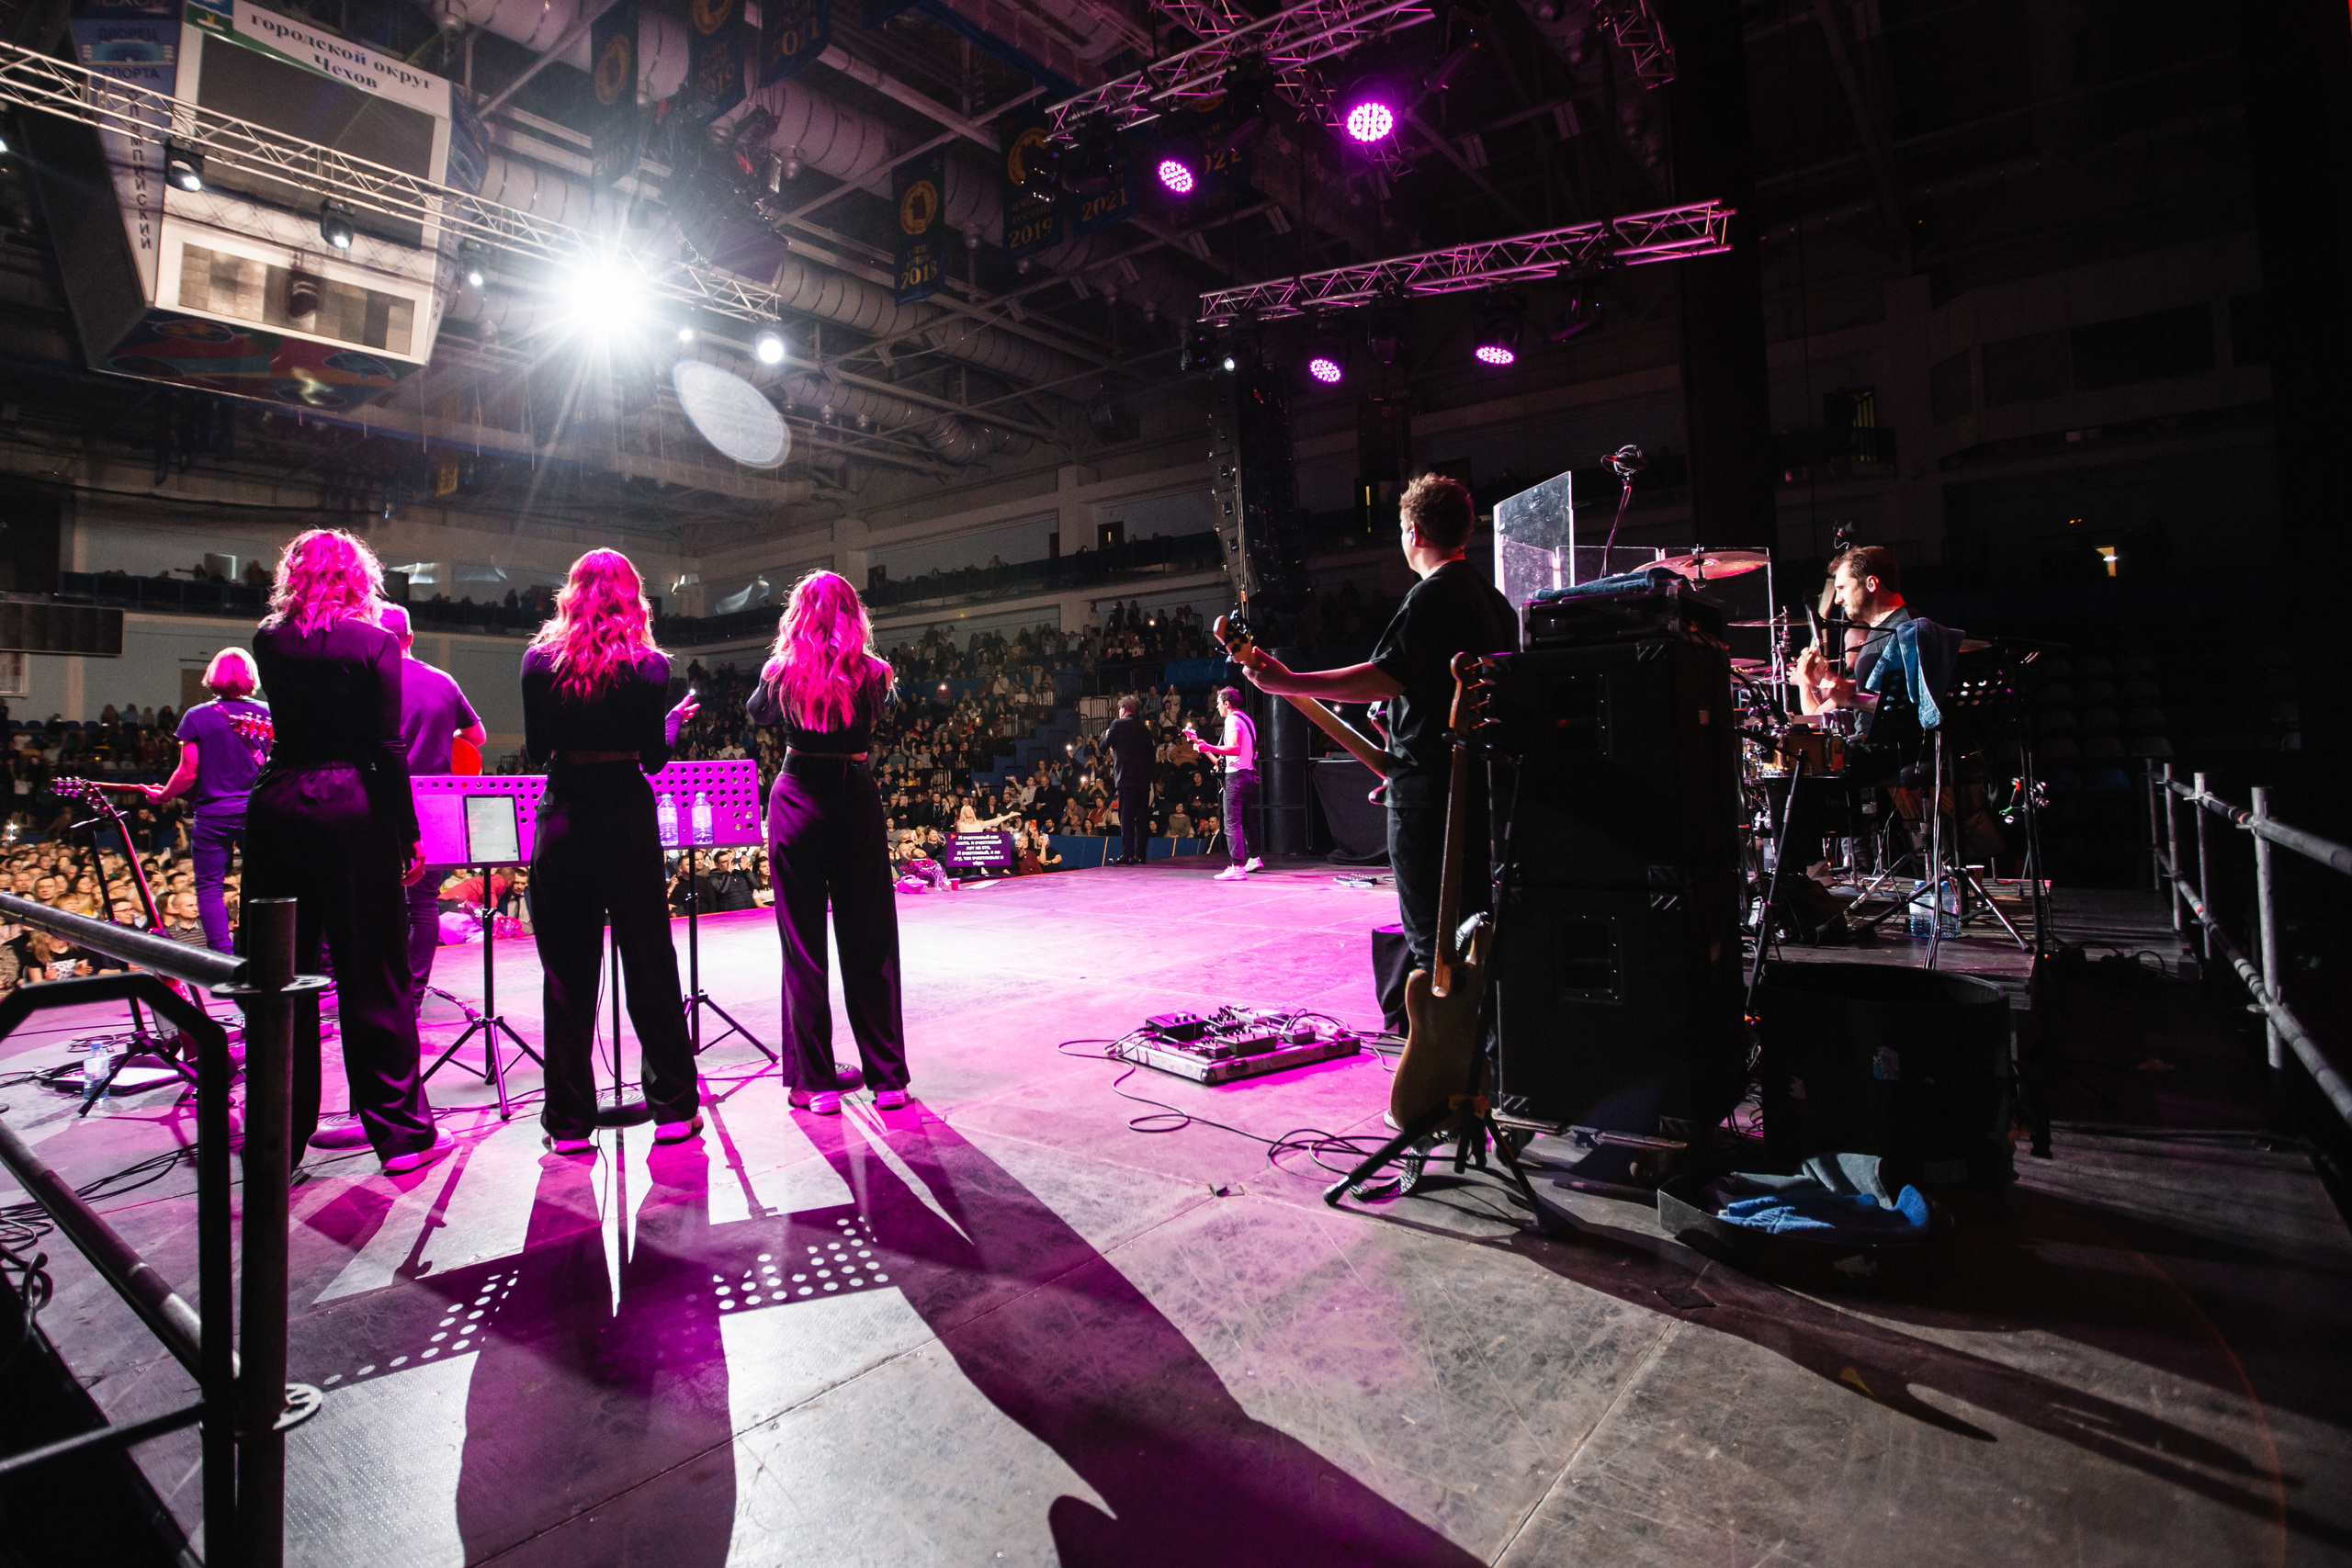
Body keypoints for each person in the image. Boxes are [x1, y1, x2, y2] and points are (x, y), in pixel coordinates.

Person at [1238, 473, 1515, 970]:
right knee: (1473, 930)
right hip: (1477, 792)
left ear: (1414, 532)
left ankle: (1439, 1018)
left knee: (1433, 942)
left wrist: (1290, 681)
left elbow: (1385, 677)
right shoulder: (1494, 601)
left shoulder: (1431, 595)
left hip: (1429, 800)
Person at [245, 530, 451, 1176]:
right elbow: (386, 746)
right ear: (360, 578)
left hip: (278, 803)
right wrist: (407, 830)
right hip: (351, 805)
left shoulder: (268, 639)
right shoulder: (375, 643)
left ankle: (278, 1139)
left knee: (280, 975)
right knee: (373, 971)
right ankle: (401, 1136)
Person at [521, 549, 705, 1153]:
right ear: (633, 597)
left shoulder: (538, 661)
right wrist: (667, 726)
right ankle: (673, 1109)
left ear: (572, 593)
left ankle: (569, 1124)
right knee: (650, 963)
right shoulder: (649, 666)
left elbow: (538, 750)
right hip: (626, 817)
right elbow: (652, 759)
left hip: (566, 816)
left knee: (566, 977)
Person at [746, 570, 909, 1115]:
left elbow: (757, 714)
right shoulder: (876, 672)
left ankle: (815, 1084)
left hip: (798, 798)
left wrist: (781, 666)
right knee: (870, 942)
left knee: (803, 945)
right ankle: (887, 1079)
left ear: (799, 614)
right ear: (852, 613)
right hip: (854, 796)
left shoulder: (781, 670)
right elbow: (872, 716)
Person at [380, 603, 485, 1013]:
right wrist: (444, 732)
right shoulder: (443, 680)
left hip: (382, 800)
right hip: (435, 804)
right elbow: (477, 736)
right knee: (422, 905)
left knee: (377, 900)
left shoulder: (369, 680)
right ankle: (413, 994)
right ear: (410, 636)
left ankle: (380, 989)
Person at [141, 648, 270, 954]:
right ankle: (264, 952)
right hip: (259, 812)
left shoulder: (197, 716)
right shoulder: (270, 713)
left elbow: (187, 772)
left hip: (214, 813)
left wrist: (163, 794)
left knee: (210, 887)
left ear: (212, 676)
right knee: (264, 883)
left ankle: (221, 956)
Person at [1186, 686, 1261, 881]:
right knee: (1246, 820)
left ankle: (1237, 866)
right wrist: (1202, 746)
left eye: (1219, 703)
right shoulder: (1246, 720)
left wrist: (1209, 746)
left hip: (1236, 778)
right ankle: (1254, 858)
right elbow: (1223, 761)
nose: (1217, 707)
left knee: (1231, 822)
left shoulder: (1232, 720)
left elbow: (1234, 749)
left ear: (1227, 704)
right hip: (1247, 775)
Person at [1102, 694, 1155, 866]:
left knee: (1126, 817)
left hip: (1126, 778)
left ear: (1123, 710)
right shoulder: (1144, 730)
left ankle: (1128, 855)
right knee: (1141, 819)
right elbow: (1152, 756)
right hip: (1143, 780)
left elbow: (1103, 747)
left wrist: (1108, 736)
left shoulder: (1117, 724)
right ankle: (1141, 855)